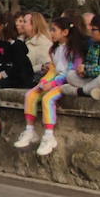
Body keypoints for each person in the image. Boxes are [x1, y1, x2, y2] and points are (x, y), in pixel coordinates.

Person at [15, 16, 88, 156]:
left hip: (67, 82)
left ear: (65, 32)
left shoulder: (74, 51)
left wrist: (53, 83)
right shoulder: (54, 50)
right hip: (53, 80)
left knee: (48, 99)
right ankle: (30, 130)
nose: (51, 33)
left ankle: (49, 135)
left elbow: (70, 72)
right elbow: (53, 69)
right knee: (30, 95)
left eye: (54, 30)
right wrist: (44, 81)